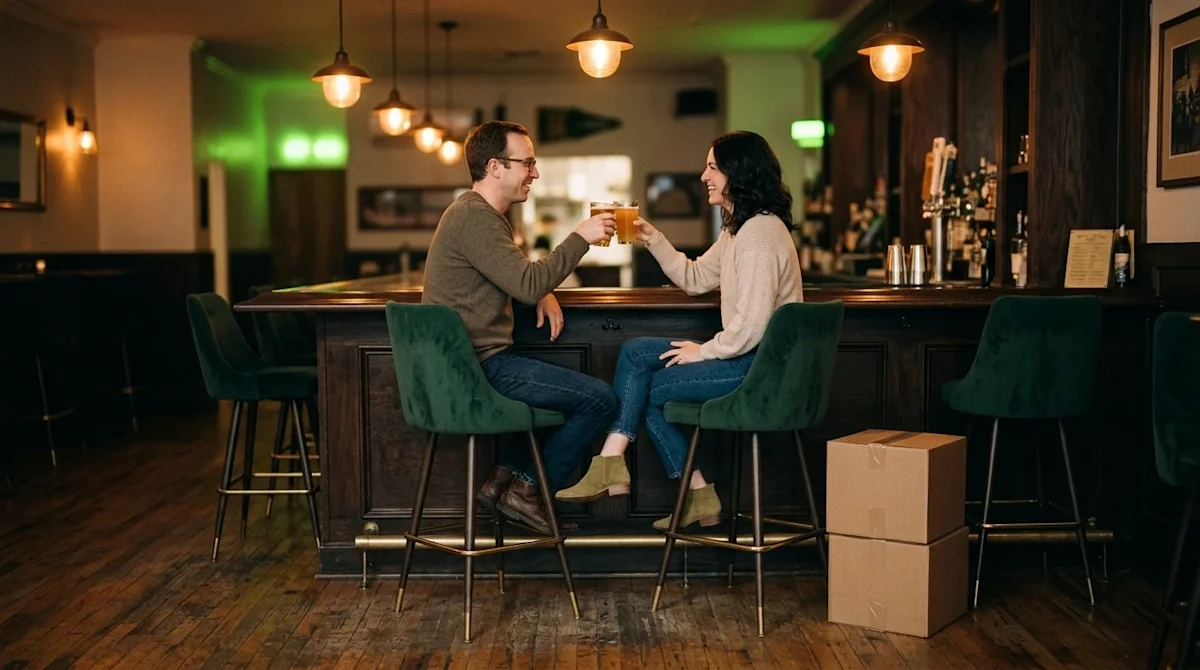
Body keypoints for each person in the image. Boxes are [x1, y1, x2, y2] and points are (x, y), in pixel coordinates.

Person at [554, 131, 803, 530]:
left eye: (713, 167)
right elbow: (696, 277)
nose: (704, 175)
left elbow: (753, 326)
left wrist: (704, 351)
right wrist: (653, 239)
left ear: (738, 172)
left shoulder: (759, 234)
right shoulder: (740, 229)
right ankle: (620, 465)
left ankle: (642, 475)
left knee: (647, 390)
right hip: (749, 358)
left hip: (759, 368)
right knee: (636, 354)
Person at [421, 120, 619, 535]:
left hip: (466, 365)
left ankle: (501, 480)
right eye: (526, 162)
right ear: (495, 167)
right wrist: (579, 237)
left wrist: (538, 288)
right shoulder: (477, 217)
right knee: (600, 400)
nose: (535, 172)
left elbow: (518, 279)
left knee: (558, 399)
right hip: (480, 368)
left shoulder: (474, 214)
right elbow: (527, 282)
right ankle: (525, 489)